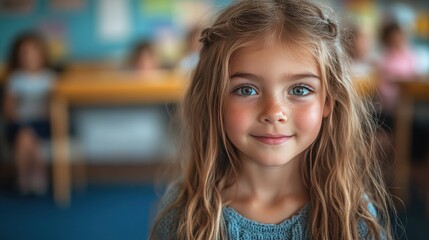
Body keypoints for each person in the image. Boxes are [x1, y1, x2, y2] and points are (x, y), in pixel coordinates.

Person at [151, 0, 394, 239]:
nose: (274, 112)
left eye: (300, 90)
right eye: (246, 89)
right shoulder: (184, 212)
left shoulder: (353, 214)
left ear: (328, 101)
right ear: (215, 99)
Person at [3, 31, 55, 195]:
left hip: (43, 122)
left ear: (42, 54)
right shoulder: (15, 79)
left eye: (34, 52)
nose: (29, 57)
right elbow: (8, 108)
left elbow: (53, 107)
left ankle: (37, 176)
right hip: (19, 123)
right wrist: (17, 118)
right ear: (18, 57)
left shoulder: (50, 78)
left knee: (29, 136)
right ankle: (25, 177)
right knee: (25, 136)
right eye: (25, 54)